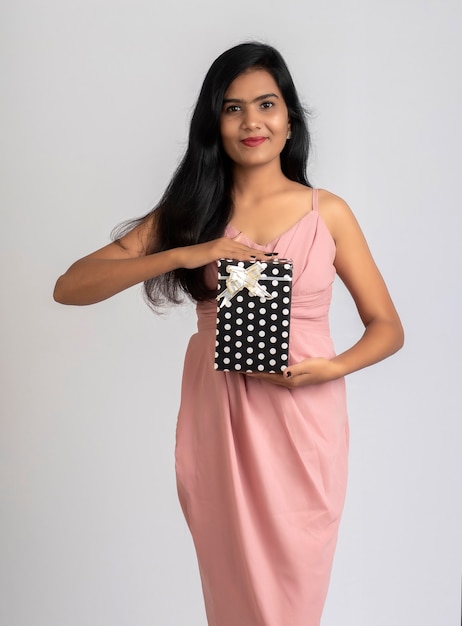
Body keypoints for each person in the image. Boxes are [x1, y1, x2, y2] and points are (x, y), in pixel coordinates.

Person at [54, 42, 404, 626]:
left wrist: (333, 367)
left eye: (266, 104)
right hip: (218, 416)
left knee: (294, 595)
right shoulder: (192, 211)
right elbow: (71, 285)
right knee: (232, 597)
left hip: (303, 418)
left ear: (289, 117)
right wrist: (193, 249)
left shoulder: (328, 212)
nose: (252, 122)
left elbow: (387, 327)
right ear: (214, 122)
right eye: (233, 107)